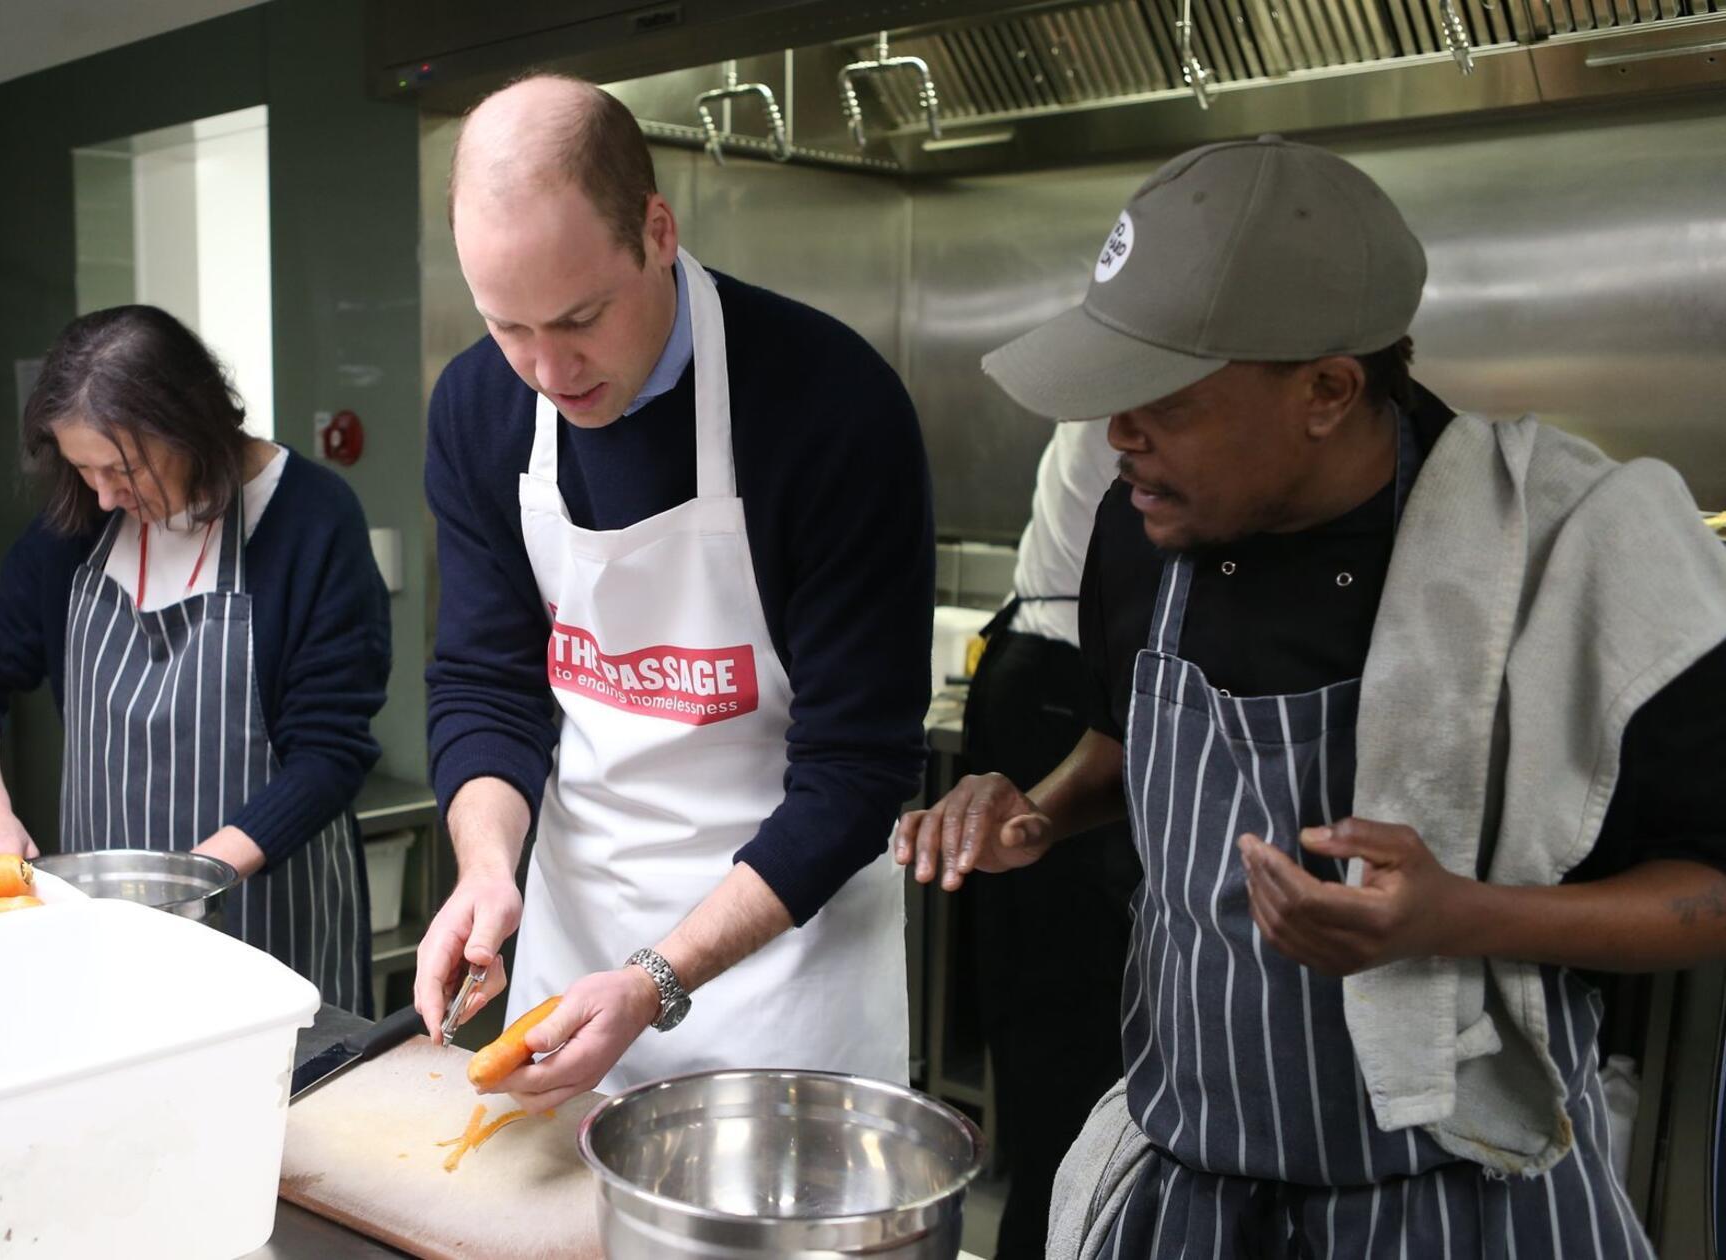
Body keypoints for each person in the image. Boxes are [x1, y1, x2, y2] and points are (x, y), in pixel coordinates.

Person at [899, 136, 1726, 1257]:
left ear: (1327, 390)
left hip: (1456, 1194)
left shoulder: (1564, 559)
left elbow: (1709, 894)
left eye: (1163, 402)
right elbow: (1119, 743)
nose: (1116, 438)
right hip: (1189, 1186)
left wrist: (1456, 919)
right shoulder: (1142, 530)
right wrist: (1035, 812)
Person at [415, 74, 933, 1111]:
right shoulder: (480, 405)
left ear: (656, 229)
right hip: (576, 945)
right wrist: (483, 868)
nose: (547, 371)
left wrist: (657, 981)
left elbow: (855, 771)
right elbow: (484, 682)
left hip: (786, 966)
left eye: (579, 319)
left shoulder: (828, 404)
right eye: (508, 327)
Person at [0, 305, 391, 1013]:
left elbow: (327, 755)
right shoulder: (82, 524)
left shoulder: (310, 519)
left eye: (121, 468)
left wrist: (185, 887)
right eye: (84, 470)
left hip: (270, 923)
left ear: (190, 426)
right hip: (111, 929)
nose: (105, 493)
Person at [903, 418, 1137, 1260]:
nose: (1133, 439)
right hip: (1056, 683)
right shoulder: (1142, 410)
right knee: (1065, 1028)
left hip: (1051, 677)